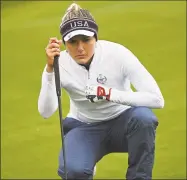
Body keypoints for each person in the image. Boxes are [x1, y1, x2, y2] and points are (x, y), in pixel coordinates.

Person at [38, 2, 164, 180]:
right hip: (85, 126)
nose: (80, 48)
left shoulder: (117, 53)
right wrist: (50, 70)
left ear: (95, 38)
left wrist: (109, 93)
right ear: (64, 43)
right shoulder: (60, 64)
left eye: (86, 40)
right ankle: (85, 157)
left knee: (144, 118)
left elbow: (157, 99)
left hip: (125, 123)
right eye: (73, 42)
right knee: (73, 170)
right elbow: (46, 111)